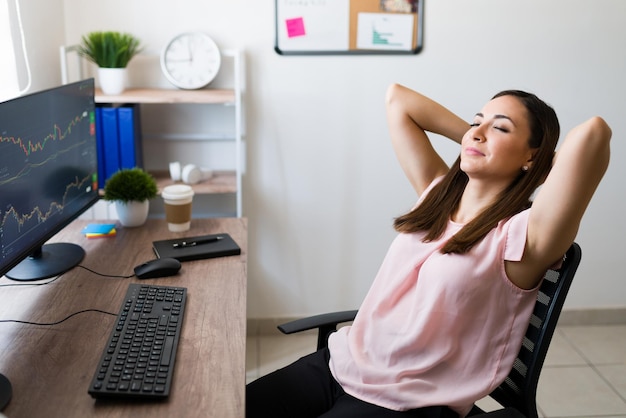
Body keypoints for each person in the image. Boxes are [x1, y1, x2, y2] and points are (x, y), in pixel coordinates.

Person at [246, 84, 612, 418]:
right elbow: (398, 99)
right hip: (342, 364)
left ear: (533, 156)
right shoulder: (437, 195)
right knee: (226, 406)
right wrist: (477, 141)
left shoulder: (524, 236)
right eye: (476, 121)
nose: (478, 131)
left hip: (409, 401)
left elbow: (594, 133)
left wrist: (533, 165)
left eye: (501, 128)